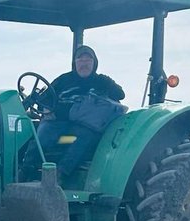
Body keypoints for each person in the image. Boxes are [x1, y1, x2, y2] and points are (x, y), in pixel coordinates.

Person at [36, 44, 126, 183]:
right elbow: (44, 99)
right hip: (59, 126)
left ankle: (59, 176)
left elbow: (120, 94)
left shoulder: (101, 81)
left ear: (94, 63)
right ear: (75, 63)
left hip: (82, 128)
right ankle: (26, 171)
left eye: (88, 60)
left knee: (80, 138)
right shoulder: (63, 80)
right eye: (80, 60)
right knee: (40, 136)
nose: (84, 63)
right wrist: (46, 109)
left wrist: (108, 84)